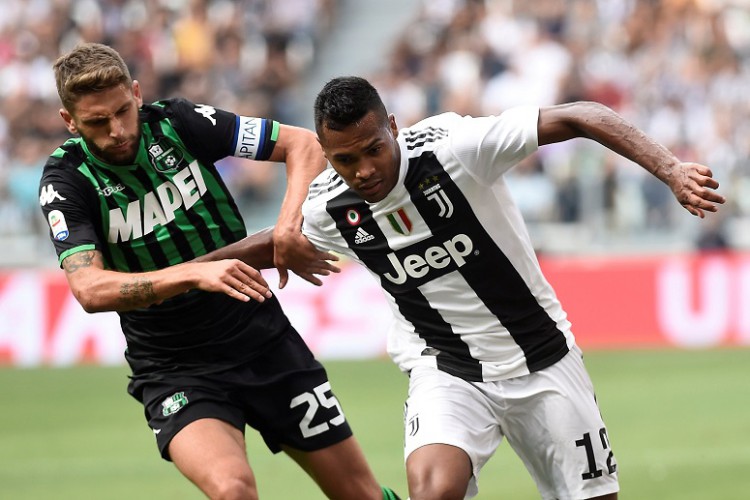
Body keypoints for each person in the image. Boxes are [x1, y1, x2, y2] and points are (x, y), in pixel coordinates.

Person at [298, 76, 726, 499]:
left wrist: (671, 171)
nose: (364, 171)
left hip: (542, 357)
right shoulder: (325, 208)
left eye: (373, 149)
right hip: (449, 368)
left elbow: (582, 115)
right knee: (433, 491)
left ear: (393, 127)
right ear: (327, 154)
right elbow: (277, 245)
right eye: (346, 160)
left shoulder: (457, 148)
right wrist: (230, 263)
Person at [38, 44, 401, 500]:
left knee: (361, 496)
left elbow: (302, 144)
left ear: (136, 93)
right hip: (173, 367)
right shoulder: (67, 180)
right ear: (69, 121)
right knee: (232, 489)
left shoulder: (178, 122)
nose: (117, 130)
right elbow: (89, 288)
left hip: (262, 340)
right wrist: (194, 274)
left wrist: (288, 227)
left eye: (123, 111)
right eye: (96, 122)